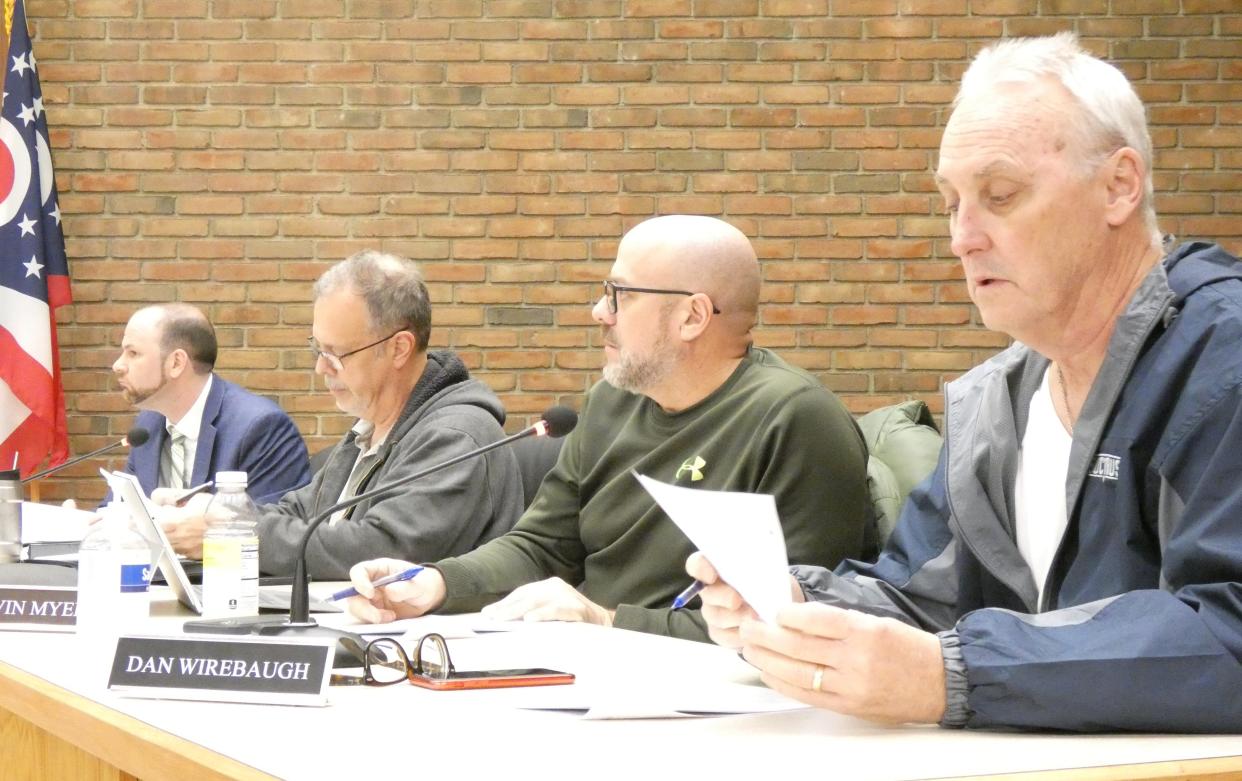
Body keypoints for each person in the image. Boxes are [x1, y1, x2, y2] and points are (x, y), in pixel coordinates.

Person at [691, 32, 1242, 733]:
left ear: (1118, 186)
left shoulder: (1224, 361)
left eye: (1000, 195)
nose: (962, 236)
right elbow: (926, 596)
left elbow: (1229, 630)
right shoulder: (997, 400)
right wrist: (798, 608)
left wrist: (953, 675)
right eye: (952, 201)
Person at [343, 215, 872, 642]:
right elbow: (543, 546)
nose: (599, 312)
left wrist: (605, 620)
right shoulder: (610, 402)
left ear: (692, 316)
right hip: (592, 668)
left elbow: (798, 621)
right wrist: (433, 582)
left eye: (620, 294)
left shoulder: (797, 420)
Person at [158, 251, 525, 578]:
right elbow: (300, 512)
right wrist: (207, 512)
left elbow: (380, 549)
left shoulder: (457, 436)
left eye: (336, 353)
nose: (321, 368)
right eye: (317, 349)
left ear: (399, 348)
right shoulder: (371, 428)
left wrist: (233, 533)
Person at [112, 303, 310, 505]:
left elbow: (273, 527)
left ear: (176, 363)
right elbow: (117, 508)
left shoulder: (261, 427)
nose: (117, 365)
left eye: (133, 353)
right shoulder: (148, 425)